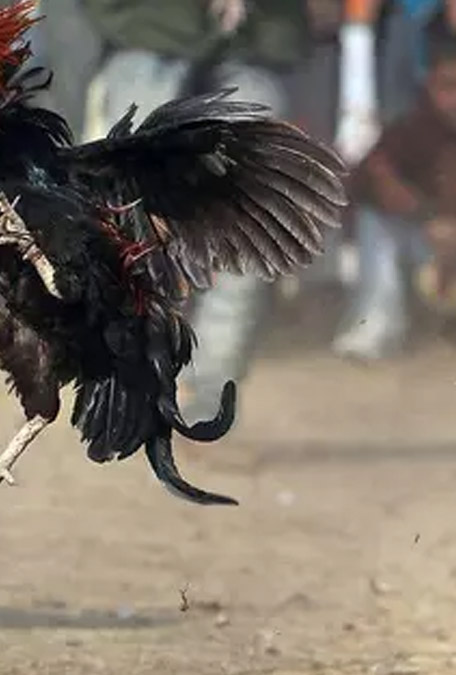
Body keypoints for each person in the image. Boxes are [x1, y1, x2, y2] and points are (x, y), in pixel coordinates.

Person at [80, 0, 314, 423]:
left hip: (256, 41)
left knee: (250, 223)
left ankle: (208, 399)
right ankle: (125, 381)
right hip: (147, 31)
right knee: (128, 221)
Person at [338, 14, 456, 358]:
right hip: (424, 244)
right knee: (377, 223)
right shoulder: (409, 129)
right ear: (430, 85)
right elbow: (356, 187)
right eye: (447, 87)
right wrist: (394, 192)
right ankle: (377, 324)